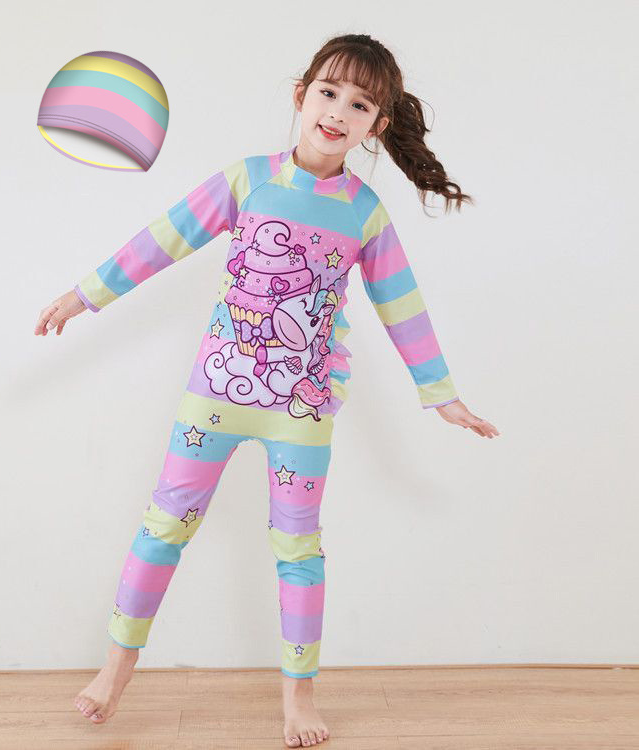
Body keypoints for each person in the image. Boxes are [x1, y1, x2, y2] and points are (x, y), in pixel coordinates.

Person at [34, 32, 499, 748]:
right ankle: (115, 672)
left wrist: (440, 394)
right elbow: (162, 239)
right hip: (212, 399)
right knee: (162, 529)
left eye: (360, 104)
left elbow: (402, 306)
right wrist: (84, 295)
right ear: (301, 95)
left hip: (301, 411)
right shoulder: (247, 180)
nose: (338, 112)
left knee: (299, 550)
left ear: (377, 125)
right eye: (329, 92)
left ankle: (298, 699)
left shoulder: (364, 213)